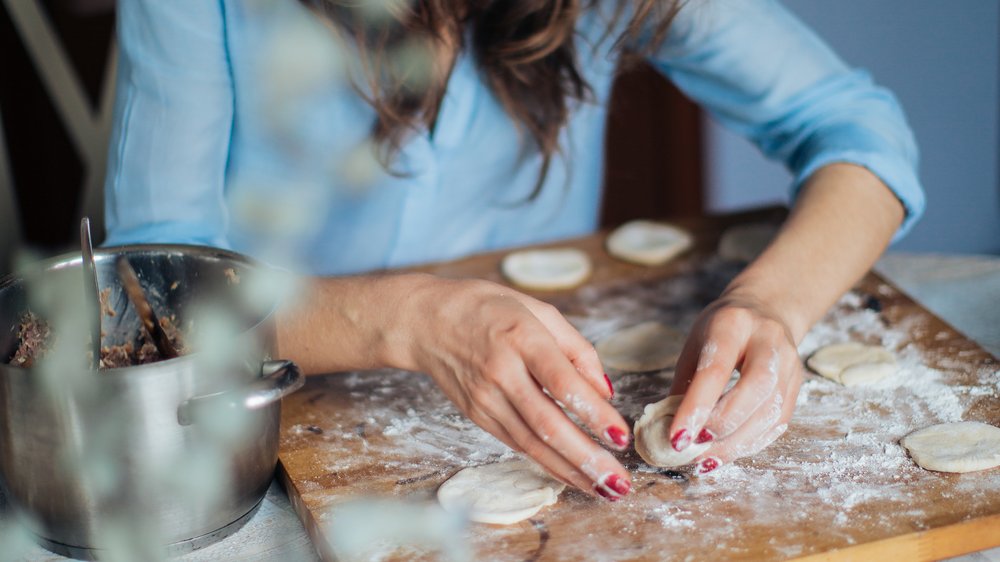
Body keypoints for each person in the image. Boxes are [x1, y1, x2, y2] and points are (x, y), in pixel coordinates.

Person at [103, 0, 923, 501]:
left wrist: (770, 303)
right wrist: (409, 318)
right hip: (262, 424)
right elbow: (150, 284)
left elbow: (860, 130)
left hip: (544, 407)